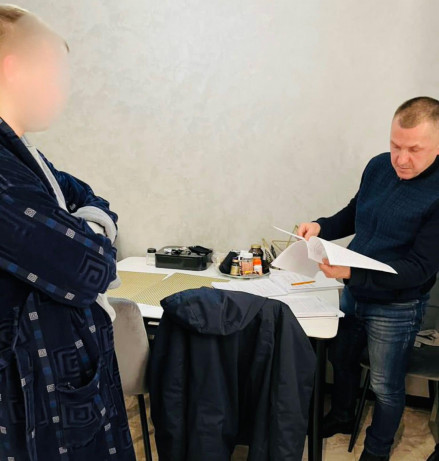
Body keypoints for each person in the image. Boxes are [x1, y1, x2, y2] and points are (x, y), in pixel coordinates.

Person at [0, 5, 135, 460]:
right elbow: (90, 267)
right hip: (24, 396)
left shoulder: (25, 157)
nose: (65, 87)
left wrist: (81, 226)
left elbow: (90, 198)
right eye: (56, 70)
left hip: (62, 371)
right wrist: (88, 231)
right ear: (13, 69)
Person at [298, 96, 439, 461]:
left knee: (385, 385)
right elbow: (354, 212)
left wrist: (351, 272)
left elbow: (418, 269)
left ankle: (376, 450)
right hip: (354, 290)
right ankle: (343, 416)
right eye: (395, 146)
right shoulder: (378, 166)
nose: (401, 159)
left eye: (414, 150)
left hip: (397, 304)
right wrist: (321, 227)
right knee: (341, 358)